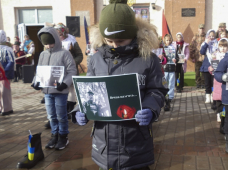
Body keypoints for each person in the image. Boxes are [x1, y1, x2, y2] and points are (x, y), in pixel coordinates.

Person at [71, 1, 168, 169]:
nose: (114, 45)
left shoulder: (149, 60)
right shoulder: (95, 60)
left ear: (133, 34)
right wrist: (80, 110)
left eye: (121, 40)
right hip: (104, 142)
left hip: (135, 141)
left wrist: (150, 109)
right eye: (109, 41)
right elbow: (88, 92)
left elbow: (157, 90)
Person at [31, 27, 77, 150]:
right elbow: (39, 71)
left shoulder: (64, 53)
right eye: (45, 44)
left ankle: (63, 136)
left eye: (51, 43)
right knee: (51, 115)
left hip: (60, 91)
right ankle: (54, 135)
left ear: (56, 40)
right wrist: (36, 82)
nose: (49, 46)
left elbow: (72, 70)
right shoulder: (42, 54)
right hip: (47, 91)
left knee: (61, 115)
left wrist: (65, 83)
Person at [54, 23, 83, 117]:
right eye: (57, 35)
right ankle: (62, 110)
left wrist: (72, 63)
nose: (59, 37)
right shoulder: (53, 42)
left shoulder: (71, 41)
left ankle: (70, 109)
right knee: (59, 89)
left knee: (71, 90)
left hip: (70, 70)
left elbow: (80, 55)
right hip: (58, 70)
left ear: (64, 33)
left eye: (60, 34)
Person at [208, 38, 228, 123]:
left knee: (226, 100)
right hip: (217, 81)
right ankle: (218, 114)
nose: (223, 48)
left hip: (227, 81)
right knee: (218, 99)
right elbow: (211, 67)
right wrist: (211, 69)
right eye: (221, 46)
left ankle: (226, 114)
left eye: (225, 46)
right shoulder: (215, 56)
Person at [0, 30, 14, 116]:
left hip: (4, 75)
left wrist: (5, 72)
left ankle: (7, 109)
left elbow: (11, 62)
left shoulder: (8, 49)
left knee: (5, 92)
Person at [200, 29, 218, 104]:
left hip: (215, 65)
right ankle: (208, 96)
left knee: (213, 82)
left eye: (213, 36)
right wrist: (206, 43)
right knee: (207, 82)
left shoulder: (217, 43)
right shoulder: (205, 43)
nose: (211, 37)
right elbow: (202, 52)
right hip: (206, 65)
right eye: (210, 36)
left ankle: (213, 96)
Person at [163, 34, 178, 111]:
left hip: (172, 67)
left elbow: (177, 57)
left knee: (171, 82)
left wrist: (175, 59)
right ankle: (164, 95)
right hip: (165, 68)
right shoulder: (162, 48)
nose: (168, 41)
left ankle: (171, 96)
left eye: (169, 40)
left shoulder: (173, 48)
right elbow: (161, 58)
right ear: (164, 41)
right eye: (167, 40)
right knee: (164, 82)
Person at [189, 24, 206, 89]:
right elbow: (191, 47)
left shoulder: (206, 36)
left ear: (204, 29)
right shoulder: (195, 37)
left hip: (204, 57)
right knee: (197, 71)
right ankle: (198, 83)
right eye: (200, 28)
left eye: (202, 28)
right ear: (198, 29)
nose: (201, 30)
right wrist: (192, 57)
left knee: (204, 71)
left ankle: (203, 83)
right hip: (197, 57)